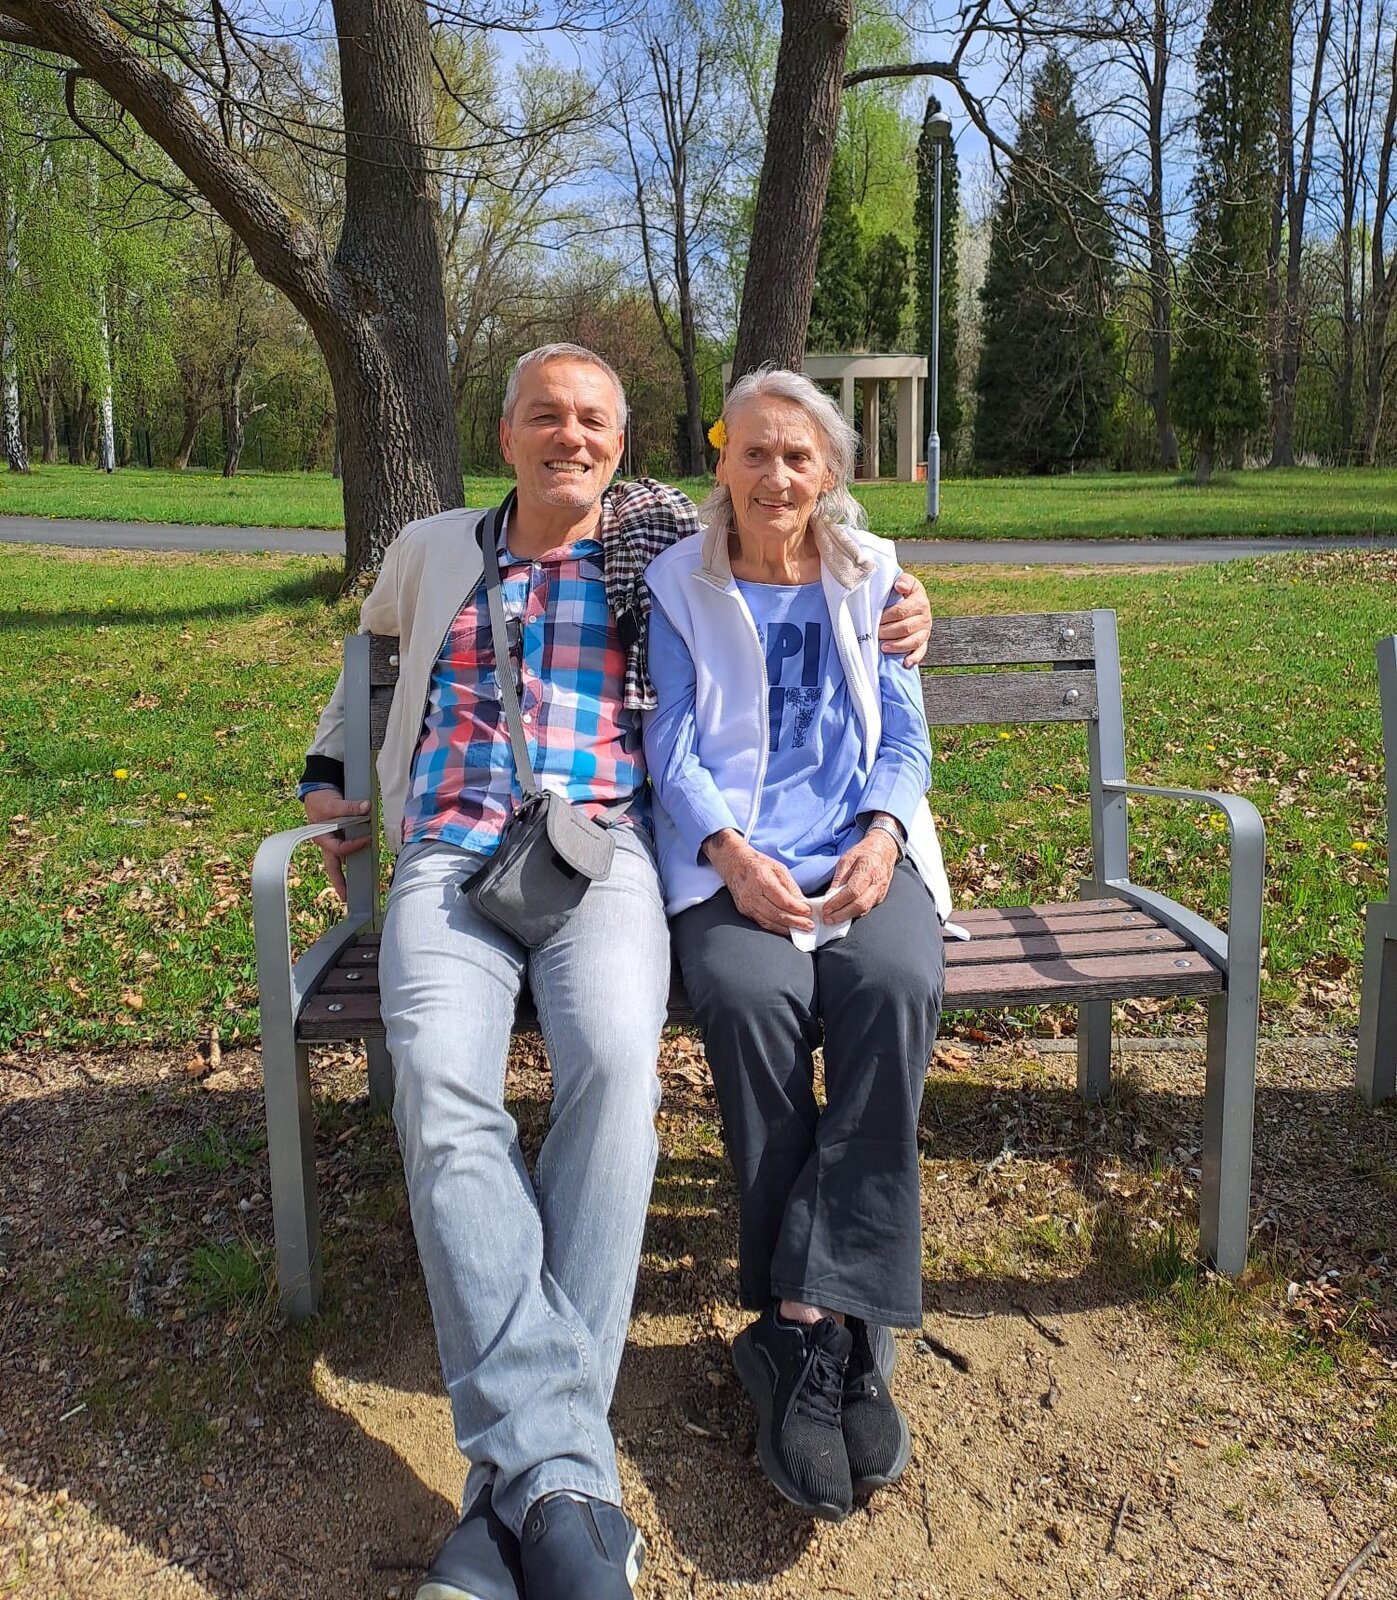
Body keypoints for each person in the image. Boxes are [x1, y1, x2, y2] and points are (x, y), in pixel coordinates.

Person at [297, 344, 934, 1600]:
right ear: (505, 434)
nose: (570, 437)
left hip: (603, 855)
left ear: (623, 445)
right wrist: (327, 773)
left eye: (593, 419)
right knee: (443, 1090)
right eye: (546, 416)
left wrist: (908, 601)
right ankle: (564, 1480)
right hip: (451, 858)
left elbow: (800, 534)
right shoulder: (430, 546)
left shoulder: (652, 544)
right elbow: (366, 656)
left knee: (613, 1069)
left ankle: (521, 1491)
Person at [643, 367, 953, 1525]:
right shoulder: (679, 581)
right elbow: (671, 744)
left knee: (894, 983)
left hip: (860, 851)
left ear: (827, 473)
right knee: (748, 999)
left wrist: (882, 833)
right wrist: (730, 855)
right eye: (753, 452)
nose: (774, 475)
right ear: (719, 461)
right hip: (733, 863)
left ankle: (802, 1321)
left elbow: (905, 736)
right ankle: (835, 1323)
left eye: (797, 456)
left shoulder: (871, 576)